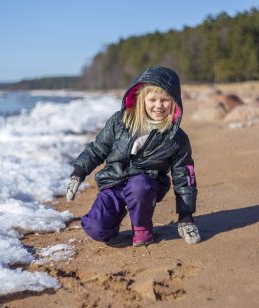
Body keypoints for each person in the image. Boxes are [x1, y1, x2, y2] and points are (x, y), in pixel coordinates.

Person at [65, 66, 200, 246]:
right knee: (96, 228)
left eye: (165, 100)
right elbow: (97, 148)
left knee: (138, 186)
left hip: (146, 185)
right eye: (152, 99)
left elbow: (185, 178)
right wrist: (78, 173)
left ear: (174, 101)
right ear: (141, 99)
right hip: (114, 181)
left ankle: (142, 227)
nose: (158, 106)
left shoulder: (176, 138)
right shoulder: (120, 121)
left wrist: (185, 217)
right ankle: (113, 219)